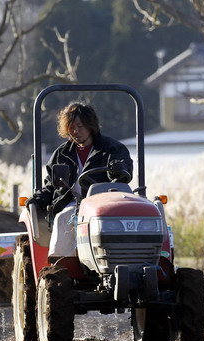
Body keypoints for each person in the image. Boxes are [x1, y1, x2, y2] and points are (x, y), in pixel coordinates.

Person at [27, 102, 133, 260]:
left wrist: (118, 170)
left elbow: (121, 177)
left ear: (91, 125)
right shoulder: (61, 154)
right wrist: (38, 198)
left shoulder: (112, 149)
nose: (76, 131)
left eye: (80, 126)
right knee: (65, 217)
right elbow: (51, 184)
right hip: (72, 203)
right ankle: (61, 263)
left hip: (103, 204)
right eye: (71, 127)